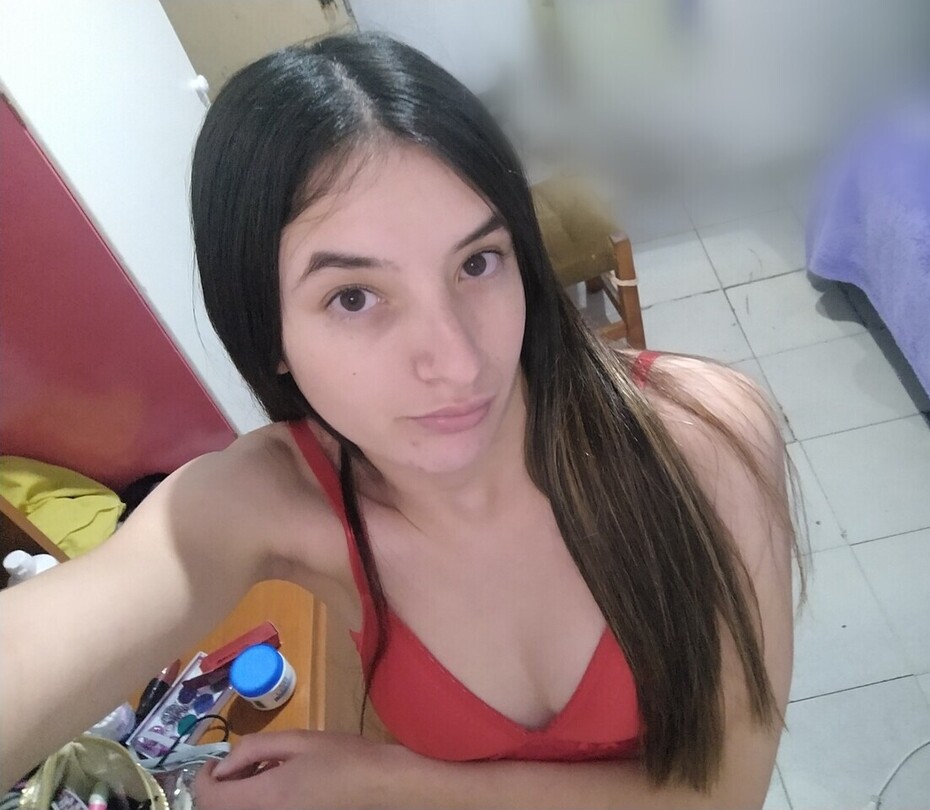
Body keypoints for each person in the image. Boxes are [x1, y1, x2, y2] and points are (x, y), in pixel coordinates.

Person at [0, 32, 796, 809]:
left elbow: (728, 793)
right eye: (354, 297)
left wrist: (387, 783)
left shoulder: (700, 438)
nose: (458, 361)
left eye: (477, 262)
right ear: (270, 335)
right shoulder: (271, 505)